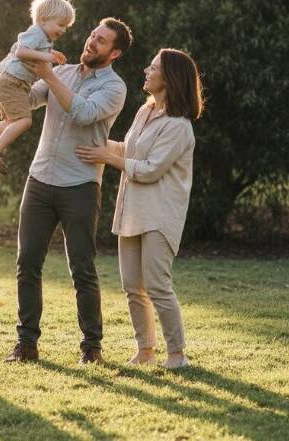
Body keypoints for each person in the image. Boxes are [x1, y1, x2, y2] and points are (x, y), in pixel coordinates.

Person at [5, 17, 133, 365]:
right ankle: (26, 344)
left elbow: (83, 113)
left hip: (79, 185)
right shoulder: (61, 71)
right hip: (40, 180)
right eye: (93, 35)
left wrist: (47, 74)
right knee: (27, 263)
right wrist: (11, 77)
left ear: (115, 52)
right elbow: (30, 100)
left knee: (82, 269)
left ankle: (92, 348)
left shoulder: (115, 87)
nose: (92, 42)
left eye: (102, 41)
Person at [77, 48, 203, 369]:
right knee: (133, 287)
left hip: (160, 215)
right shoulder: (144, 112)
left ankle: (177, 355)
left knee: (158, 286)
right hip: (131, 211)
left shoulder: (179, 126)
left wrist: (109, 159)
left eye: (154, 67)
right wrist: (100, 145)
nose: (147, 70)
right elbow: (129, 149)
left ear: (169, 78)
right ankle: (145, 350)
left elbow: (150, 169)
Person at [0, 0, 73, 176]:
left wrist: (51, 54)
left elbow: (35, 53)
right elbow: (21, 51)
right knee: (25, 121)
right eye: (60, 24)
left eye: (66, 27)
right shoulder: (36, 32)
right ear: (43, 19)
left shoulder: (44, 39)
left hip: (14, 84)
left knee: (10, 123)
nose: (63, 30)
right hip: (11, 82)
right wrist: (46, 56)